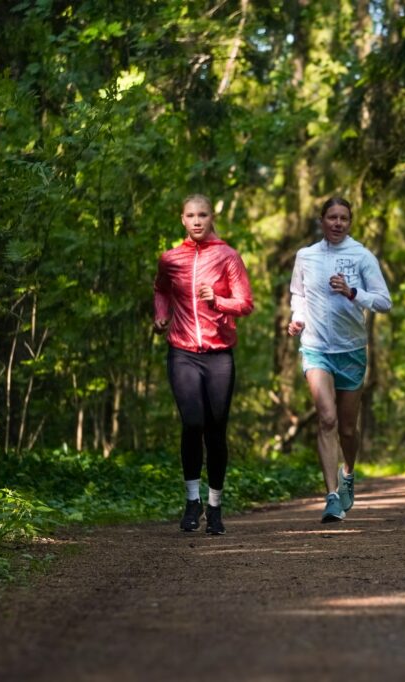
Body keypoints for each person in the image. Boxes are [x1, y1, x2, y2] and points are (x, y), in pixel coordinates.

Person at [154, 194, 253, 535]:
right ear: (182, 219)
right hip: (182, 351)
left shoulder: (228, 256)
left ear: (212, 218)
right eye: (191, 215)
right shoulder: (170, 259)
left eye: (203, 215)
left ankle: (215, 506)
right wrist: (161, 314)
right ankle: (192, 501)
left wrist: (219, 299)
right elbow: (161, 290)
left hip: (219, 353)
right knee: (192, 422)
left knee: (216, 430)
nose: (197, 221)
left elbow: (246, 303)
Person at [287, 197, 392, 522]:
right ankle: (331, 496)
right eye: (331, 217)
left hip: (351, 350)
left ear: (350, 222)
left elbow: (384, 302)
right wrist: (297, 319)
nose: (337, 223)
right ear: (321, 221)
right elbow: (298, 294)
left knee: (347, 428)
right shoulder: (306, 256)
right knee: (327, 420)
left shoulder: (361, 256)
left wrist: (352, 293)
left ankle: (348, 472)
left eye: (343, 218)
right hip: (316, 348)